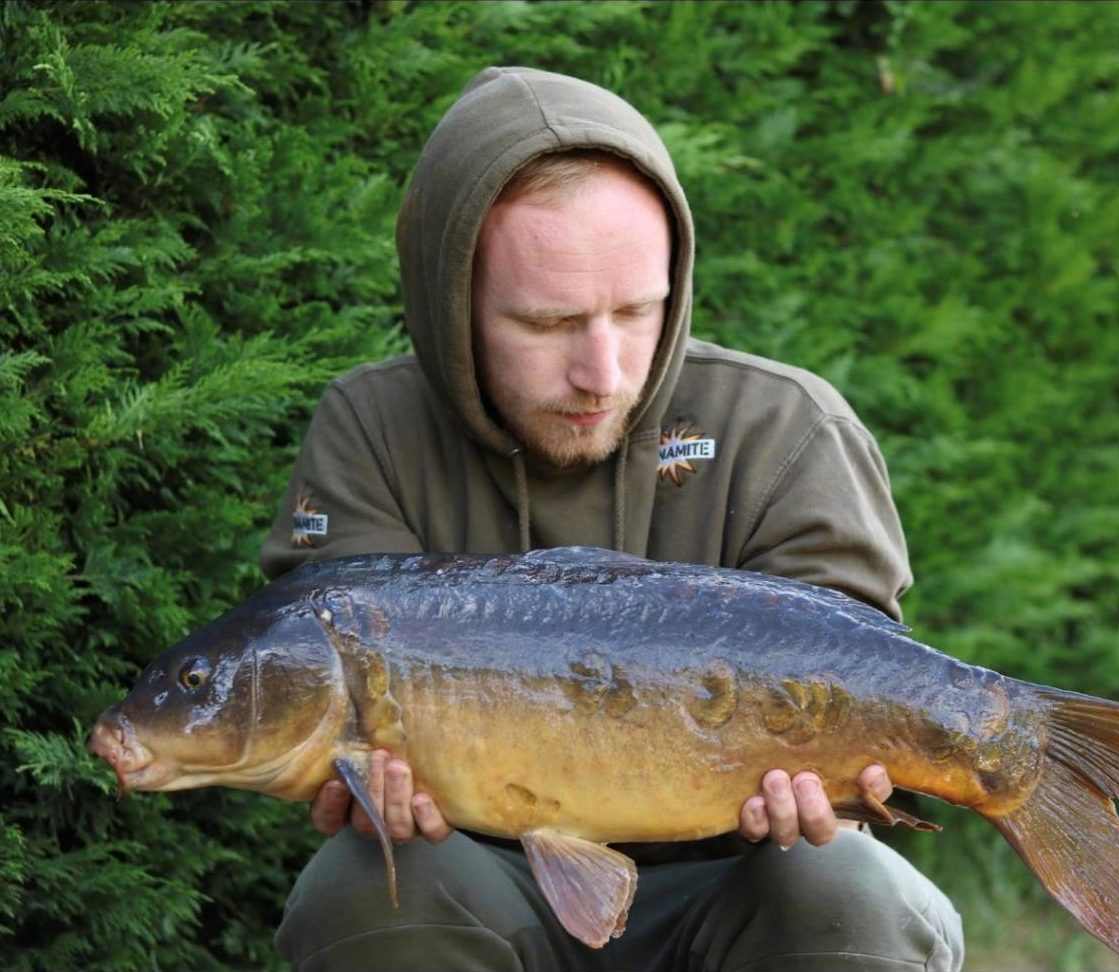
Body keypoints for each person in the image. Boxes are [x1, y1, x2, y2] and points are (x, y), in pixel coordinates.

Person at [261, 65, 964, 971]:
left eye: (637, 312)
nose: (602, 371)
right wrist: (364, 782)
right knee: (362, 885)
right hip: (486, 884)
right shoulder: (373, 430)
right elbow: (328, 718)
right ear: (451, 306)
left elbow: (851, 685)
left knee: (847, 892)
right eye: (548, 323)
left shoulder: (786, 427)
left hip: (742, 879)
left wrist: (836, 781)